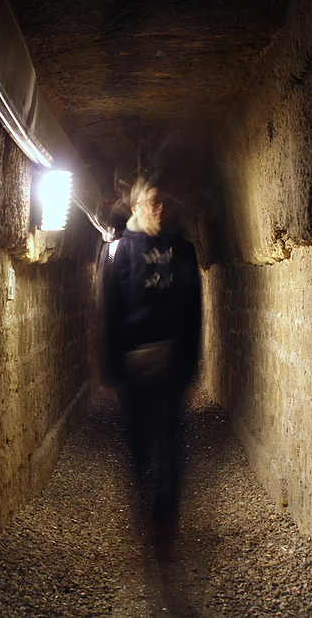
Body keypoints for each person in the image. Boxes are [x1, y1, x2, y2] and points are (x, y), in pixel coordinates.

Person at [99, 176, 202, 560]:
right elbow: (110, 309)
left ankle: (165, 516)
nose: (159, 209)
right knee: (139, 438)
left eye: (164, 202)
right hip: (134, 363)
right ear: (137, 207)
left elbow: (194, 311)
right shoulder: (121, 252)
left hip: (173, 362)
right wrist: (112, 365)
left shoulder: (184, 251)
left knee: (172, 438)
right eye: (151, 203)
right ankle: (147, 503)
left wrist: (190, 361)